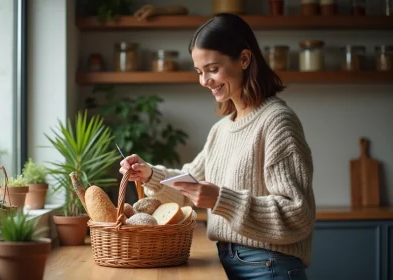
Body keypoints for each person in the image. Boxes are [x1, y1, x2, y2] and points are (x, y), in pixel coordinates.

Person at [119, 13, 315, 280]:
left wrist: (222, 200)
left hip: (269, 265)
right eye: (200, 72)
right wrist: (150, 174)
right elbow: (188, 190)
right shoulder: (222, 129)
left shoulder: (277, 121)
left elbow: (298, 216)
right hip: (228, 260)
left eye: (213, 69)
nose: (204, 81)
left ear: (245, 59)